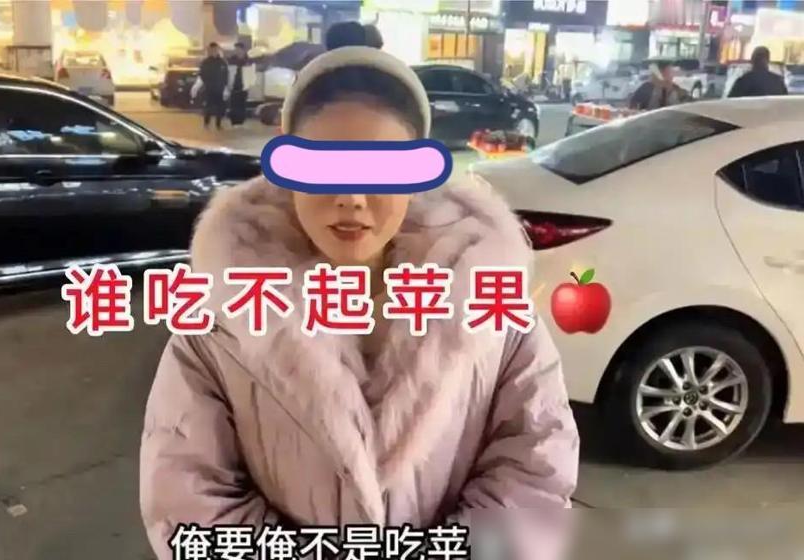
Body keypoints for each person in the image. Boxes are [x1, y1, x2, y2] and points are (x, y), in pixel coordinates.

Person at [140, 35, 579, 560]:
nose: (351, 198)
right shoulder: (218, 317)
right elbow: (187, 499)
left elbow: (535, 471)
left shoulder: (490, 301)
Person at [198, 42, 228, 129]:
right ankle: (206, 123)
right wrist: (207, 82)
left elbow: (226, 74)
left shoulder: (222, 62)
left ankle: (218, 124)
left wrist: (224, 85)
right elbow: (202, 74)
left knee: (220, 107)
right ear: (210, 50)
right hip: (209, 88)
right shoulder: (206, 62)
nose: (214, 51)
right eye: (212, 50)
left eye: (216, 49)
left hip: (220, 88)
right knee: (208, 106)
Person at [227, 42, 254, 126]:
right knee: (233, 103)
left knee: (242, 103)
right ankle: (234, 121)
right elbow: (228, 72)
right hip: (234, 84)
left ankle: (241, 120)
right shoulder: (231, 59)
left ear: (243, 50)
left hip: (244, 84)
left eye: (239, 49)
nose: (237, 51)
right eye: (236, 49)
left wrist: (250, 84)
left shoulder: (248, 60)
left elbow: (251, 73)